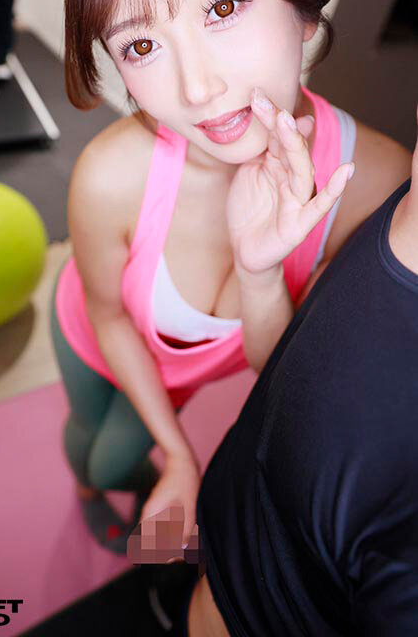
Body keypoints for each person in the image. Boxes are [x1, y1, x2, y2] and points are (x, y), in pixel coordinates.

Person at [51, 0, 411, 554]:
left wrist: (259, 270)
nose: (197, 88)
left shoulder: (372, 183)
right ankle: (89, 491)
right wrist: (179, 455)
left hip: (181, 374)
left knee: (119, 464)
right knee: (94, 449)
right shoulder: (109, 176)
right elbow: (108, 316)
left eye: (221, 6)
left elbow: (283, 374)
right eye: (141, 46)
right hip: (91, 331)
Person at [186, 114, 418, 637]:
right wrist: (258, 274)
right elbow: (296, 380)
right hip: (215, 539)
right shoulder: (404, 197)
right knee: (160, 552)